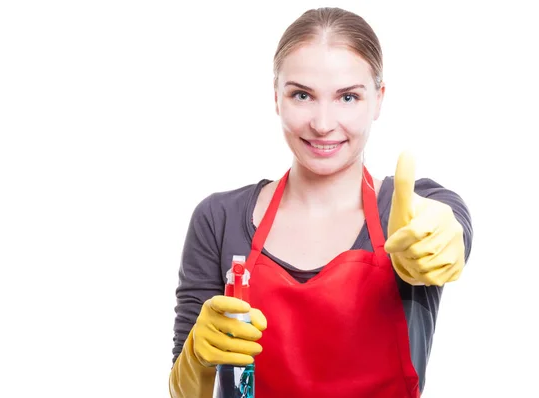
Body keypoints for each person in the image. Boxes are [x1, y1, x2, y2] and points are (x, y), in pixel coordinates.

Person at [168, 7, 473, 398]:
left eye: (348, 96)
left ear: (378, 100)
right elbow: (183, 390)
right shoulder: (217, 219)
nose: (323, 123)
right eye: (301, 95)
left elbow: (451, 229)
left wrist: (442, 238)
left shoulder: (414, 210)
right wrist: (197, 356)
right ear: (276, 98)